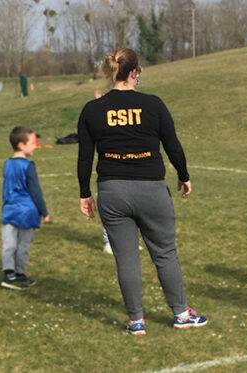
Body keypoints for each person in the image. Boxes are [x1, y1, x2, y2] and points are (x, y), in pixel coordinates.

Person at [77, 48, 207, 336]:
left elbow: (85, 157)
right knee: (165, 254)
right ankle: (181, 314)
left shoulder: (92, 109)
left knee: (126, 259)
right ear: (135, 72)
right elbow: (173, 146)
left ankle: (136, 321)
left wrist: (85, 193)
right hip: (151, 189)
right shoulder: (153, 104)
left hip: (112, 191)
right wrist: (184, 176)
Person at [0, 126, 50, 290]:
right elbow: (35, 191)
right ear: (21, 145)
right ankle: (16, 275)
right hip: (27, 212)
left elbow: (5, 188)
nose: (35, 146)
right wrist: (44, 211)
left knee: (9, 245)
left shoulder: (7, 164)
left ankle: (11, 274)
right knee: (21, 246)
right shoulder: (28, 166)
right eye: (32, 143)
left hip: (9, 210)